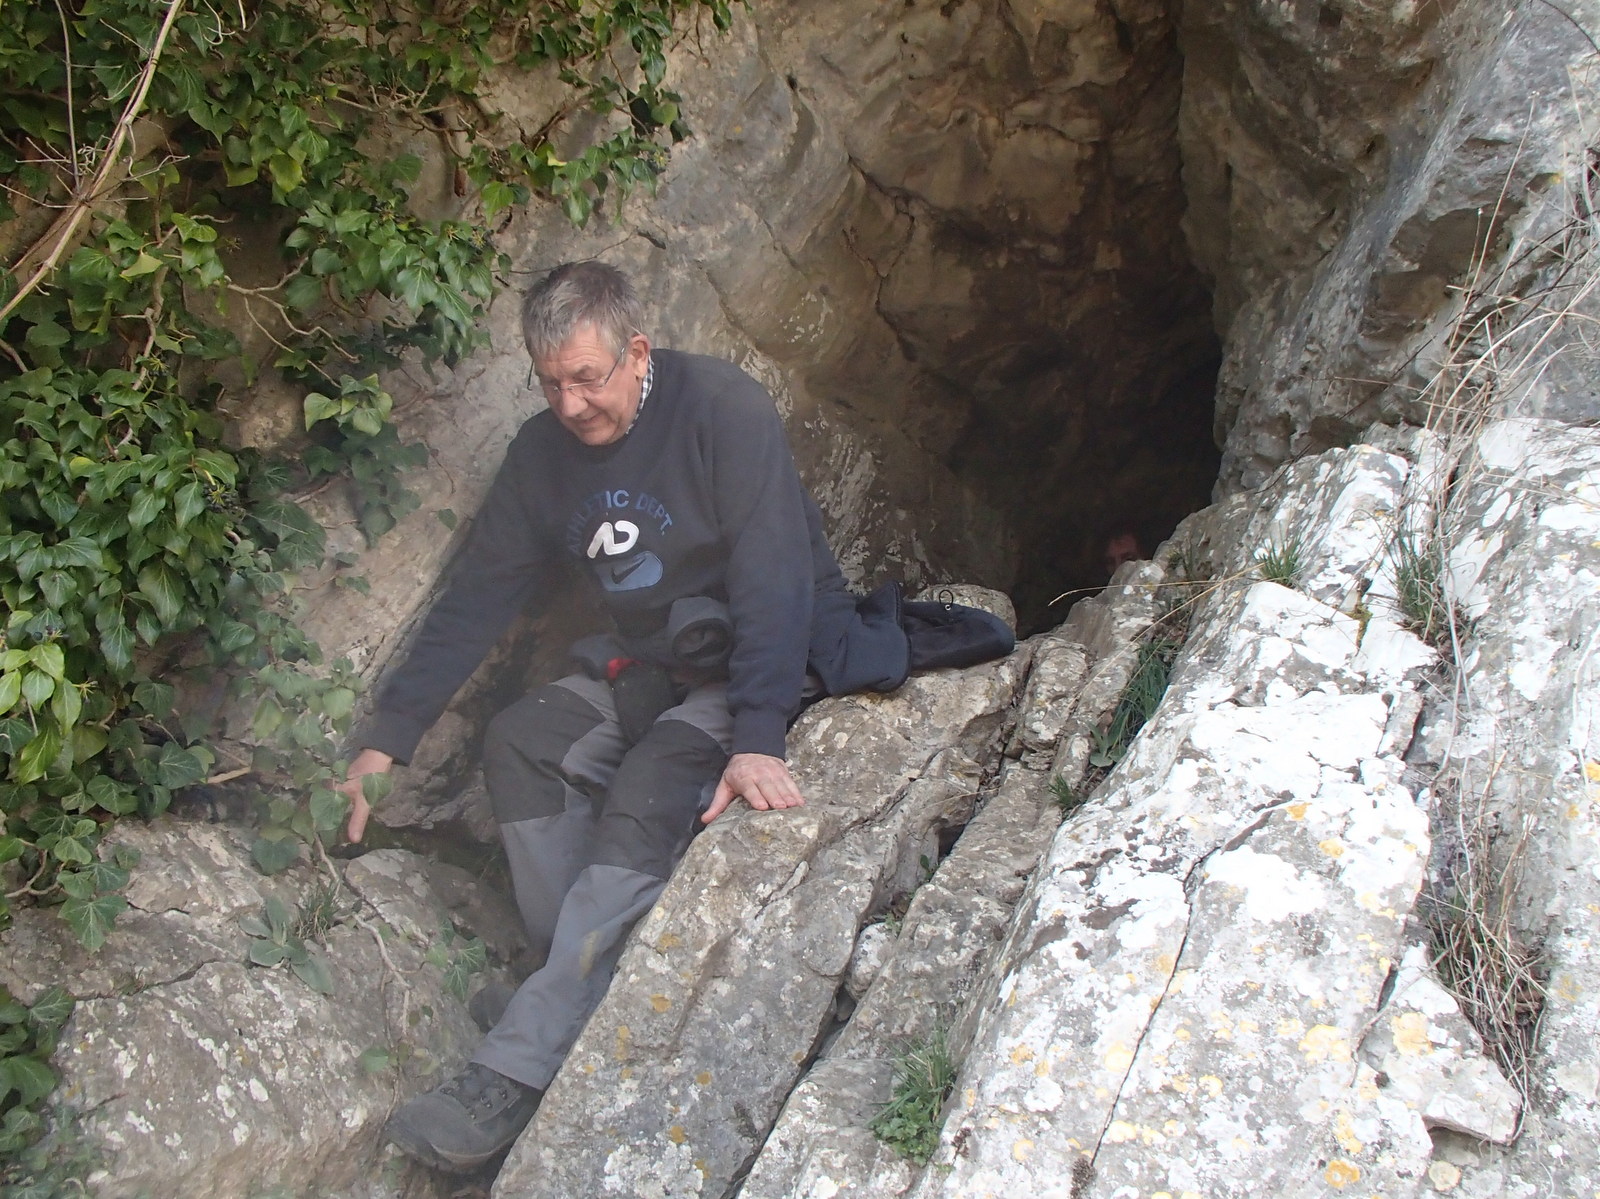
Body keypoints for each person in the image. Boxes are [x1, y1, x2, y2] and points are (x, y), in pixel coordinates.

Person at [335, 261, 908, 1172]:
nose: (569, 404)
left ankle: (513, 1070)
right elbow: (477, 597)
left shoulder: (721, 409)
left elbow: (775, 573)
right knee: (522, 742)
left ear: (637, 353)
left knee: (649, 787)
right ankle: (573, 996)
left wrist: (758, 734)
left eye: (587, 377)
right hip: (646, 661)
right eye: (549, 383)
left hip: (754, 659)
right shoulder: (542, 456)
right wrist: (387, 737)